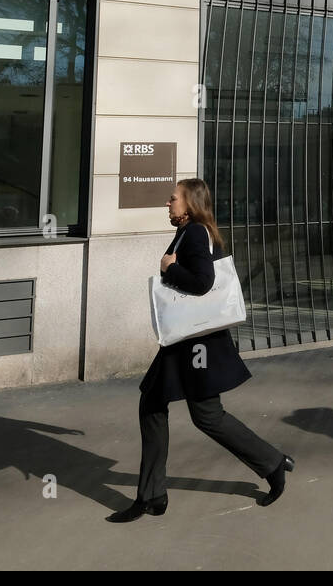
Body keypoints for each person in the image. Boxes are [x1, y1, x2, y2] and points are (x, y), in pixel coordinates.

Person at [108, 178, 294, 522]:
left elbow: (203, 282)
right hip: (189, 340)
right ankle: (152, 496)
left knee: (204, 416)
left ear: (190, 202)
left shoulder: (194, 233)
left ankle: (271, 463)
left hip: (196, 342)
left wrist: (170, 269)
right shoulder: (191, 231)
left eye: (173, 198)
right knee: (156, 403)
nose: (168, 203)